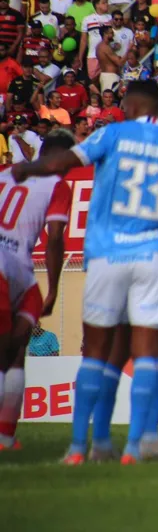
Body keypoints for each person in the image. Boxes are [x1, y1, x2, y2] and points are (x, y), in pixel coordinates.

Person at [12, 80, 158, 464]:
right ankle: (136, 446)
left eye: (124, 107)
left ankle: (81, 448)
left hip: (106, 255)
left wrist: (28, 167)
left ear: (131, 105)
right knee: (149, 348)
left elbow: (61, 163)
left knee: (96, 351)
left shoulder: (112, 133)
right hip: (151, 255)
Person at [0, 134, 73, 450]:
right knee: (11, 355)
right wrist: (54, 287)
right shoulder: (56, 184)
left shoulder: (8, 173)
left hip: (18, 274)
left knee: (13, 353)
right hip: (15, 271)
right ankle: (3, 436)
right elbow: (55, 236)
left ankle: (5, 436)